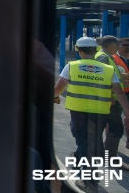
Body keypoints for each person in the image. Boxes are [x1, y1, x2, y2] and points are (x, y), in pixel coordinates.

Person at [53, 37, 129, 192]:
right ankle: (84, 170)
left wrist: (54, 97)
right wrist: (128, 112)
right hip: (100, 113)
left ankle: (89, 181)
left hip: (79, 113)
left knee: (86, 144)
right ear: (95, 51)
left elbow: (59, 87)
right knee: (92, 143)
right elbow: (119, 92)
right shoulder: (108, 69)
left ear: (79, 51)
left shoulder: (72, 66)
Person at [95, 35, 127, 162]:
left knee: (102, 128)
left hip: (109, 100)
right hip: (109, 101)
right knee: (116, 128)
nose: (119, 48)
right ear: (112, 45)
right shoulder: (104, 57)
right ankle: (109, 157)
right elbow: (100, 79)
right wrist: (108, 96)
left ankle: (104, 155)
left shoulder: (106, 57)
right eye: (118, 45)